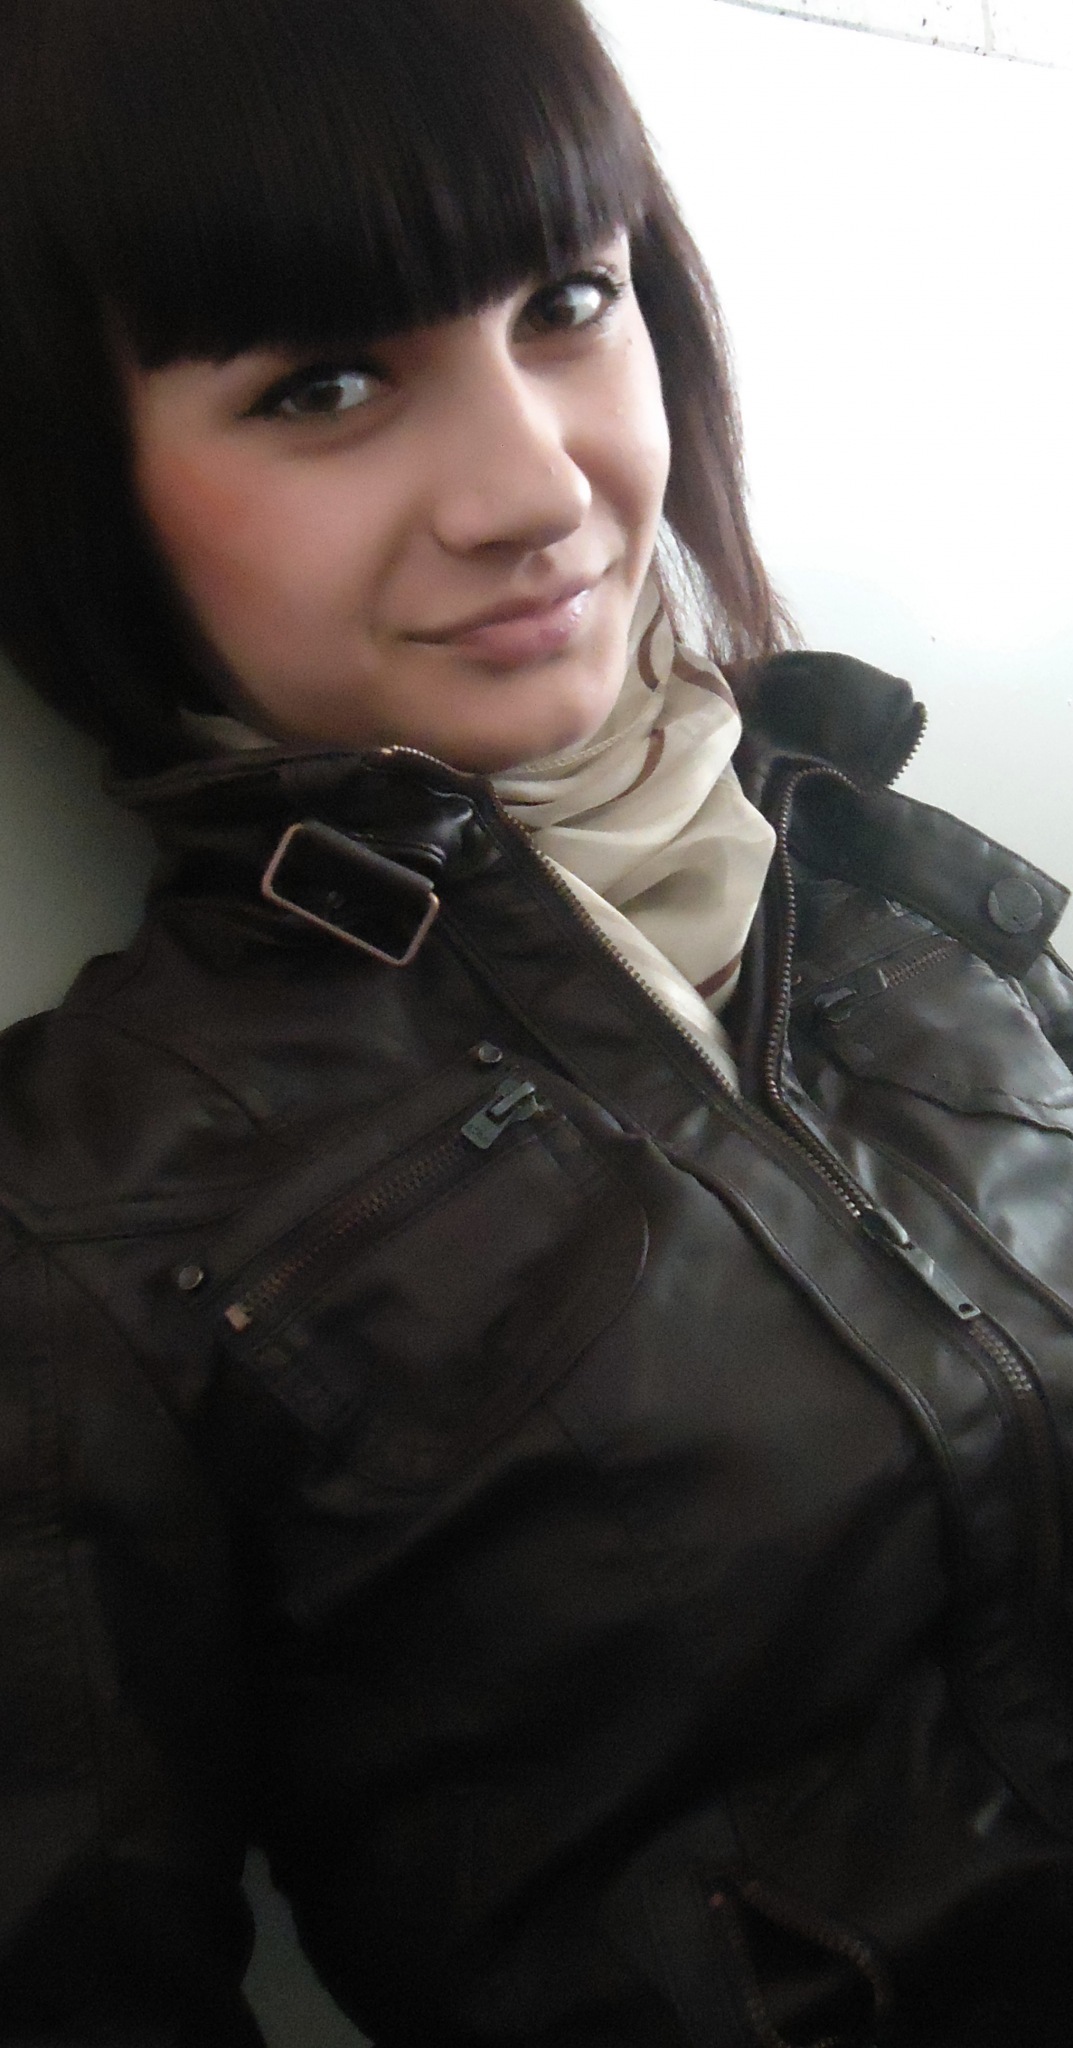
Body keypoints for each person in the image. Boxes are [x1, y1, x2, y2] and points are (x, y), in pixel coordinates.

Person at [1, 1, 1071, 2043]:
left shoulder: (880, 868)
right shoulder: (96, 1215)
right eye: (323, 386)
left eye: (568, 302)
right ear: (80, 477)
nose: (532, 488)